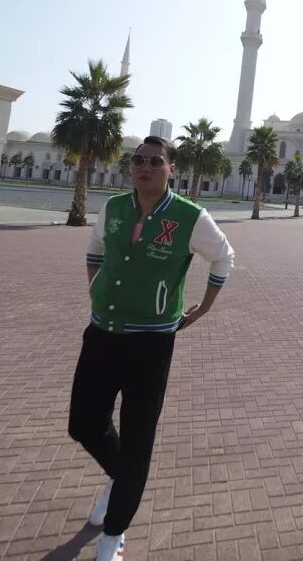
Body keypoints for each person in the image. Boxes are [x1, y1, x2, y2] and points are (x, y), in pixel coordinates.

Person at [67, 136, 234, 561]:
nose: (145, 166)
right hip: (103, 332)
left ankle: (113, 535)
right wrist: (95, 288)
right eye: (139, 159)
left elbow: (223, 257)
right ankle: (120, 476)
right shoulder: (114, 208)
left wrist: (203, 308)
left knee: (138, 437)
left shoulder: (190, 217)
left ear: (171, 168)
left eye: (155, 161)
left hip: (151, 341)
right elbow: (95, 248)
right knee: (84, 424)